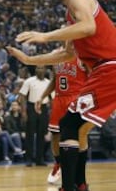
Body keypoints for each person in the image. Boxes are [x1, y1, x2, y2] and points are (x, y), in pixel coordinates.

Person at [6, 0, 116, 191]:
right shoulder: (72, 15)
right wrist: (29, 59)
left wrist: (45, 35)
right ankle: (81, 190)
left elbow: (88, 27)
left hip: (109, 67)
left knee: (68, 124)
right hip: (105, 69)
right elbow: (67, 55)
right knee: (75, 128)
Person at [34, 54, 87, 184]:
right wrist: (42, 97)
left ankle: (77, 170)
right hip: (59, 99)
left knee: (76, 136)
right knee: (55, 135)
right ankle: (59, 164)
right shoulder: (57, 55)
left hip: (75, 98)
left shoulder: (83, 56)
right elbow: (54, 80)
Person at [18, 65, 50, 166]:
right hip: (31, 107)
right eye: (37, 68)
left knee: (42, 134)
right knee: (29, 135)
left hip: (44, 108)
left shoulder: (48, 83)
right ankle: (29, 159)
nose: (39, 69)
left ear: (45, 70)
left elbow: (53, 98)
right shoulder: (29, 81)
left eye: (41, 68)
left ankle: (39, 159)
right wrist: (23, 111)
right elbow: (22, 96)